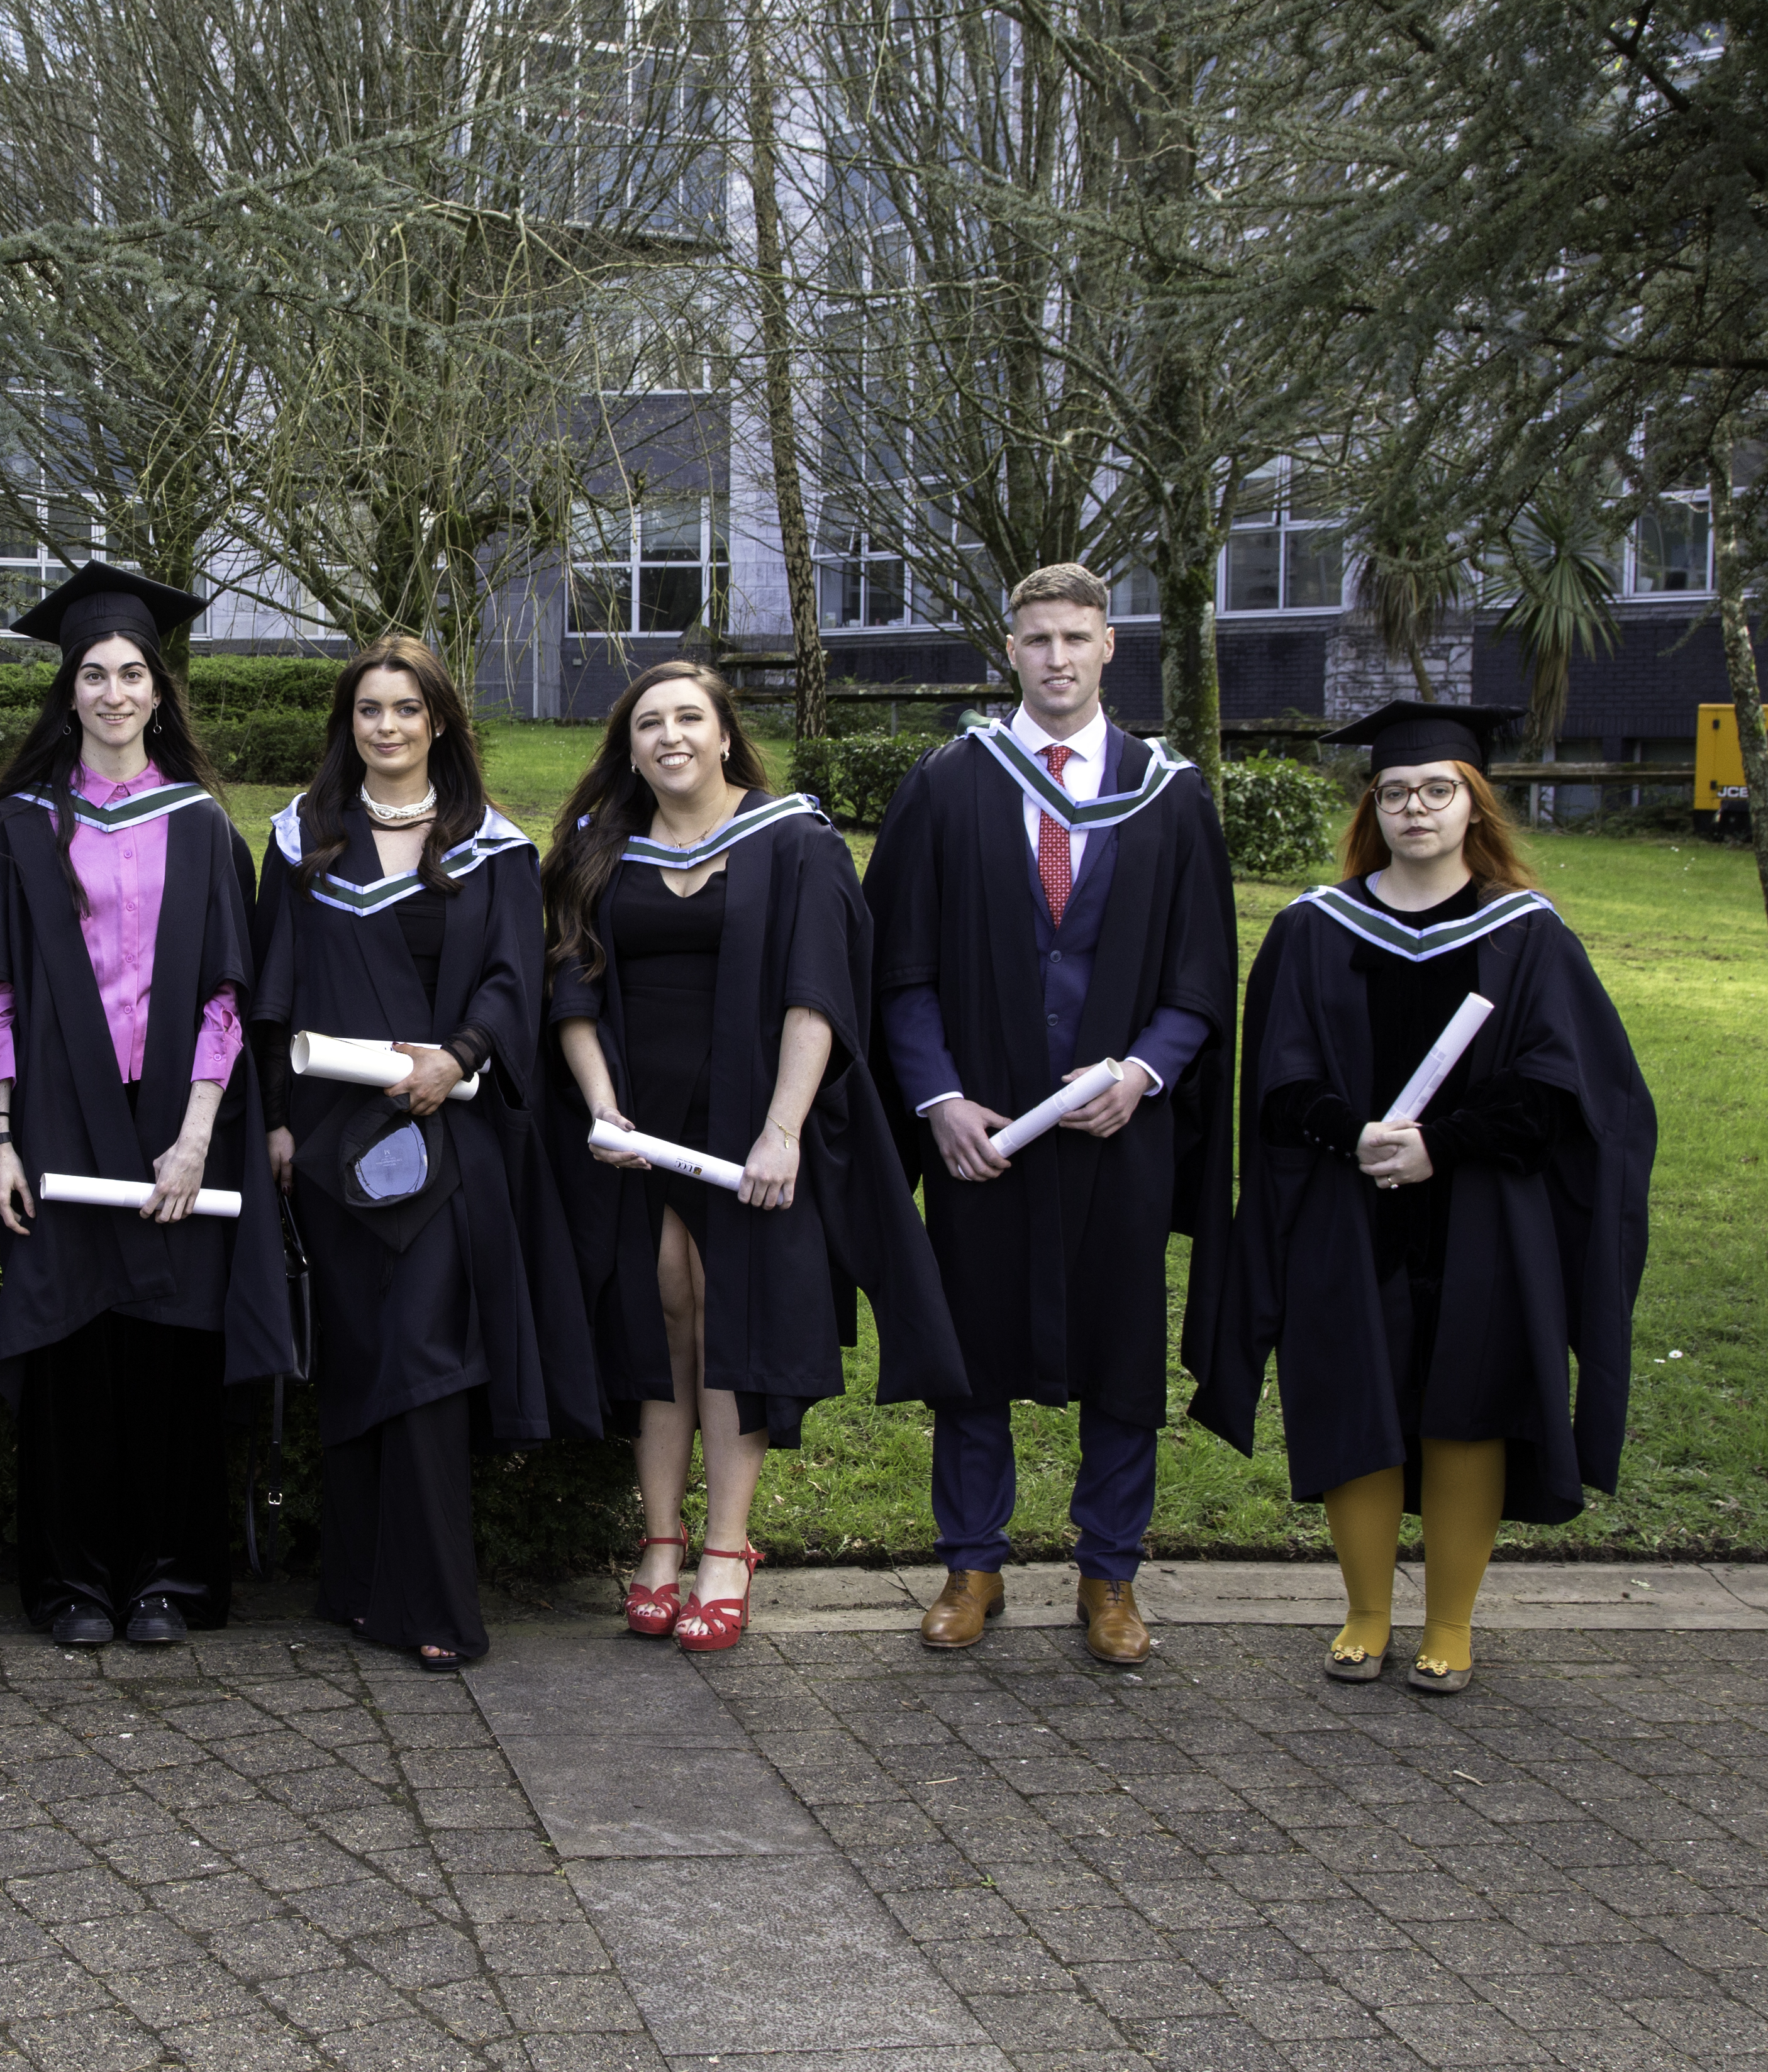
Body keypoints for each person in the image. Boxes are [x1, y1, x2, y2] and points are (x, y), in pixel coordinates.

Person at [1199, 702, 1652, 1692]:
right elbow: (1276, 1082)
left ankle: (1449, 1624)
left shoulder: (1525, 935)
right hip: (1344, 1204)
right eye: (1396, 792)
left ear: (1472, 808)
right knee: (1353, 1396)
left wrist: (1439, 1147)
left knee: (1467, 1406)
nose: (1414, 809)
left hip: (1480, 1215)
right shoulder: (1315, 927)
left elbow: (1562, 1088)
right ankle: (1365, 1611)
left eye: (1436, 791)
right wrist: (1348, 1132)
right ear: (1375, 806)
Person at [543, 662, 966, 1654]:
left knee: (730, 1312)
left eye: (690, 717)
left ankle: (727, 1549)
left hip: (747, 1117)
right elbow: (572, 990)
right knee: (657, 1310)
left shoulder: (795, 843)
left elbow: (817, 992)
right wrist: (602, 1110)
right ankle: (658, 1541)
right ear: (629, 746)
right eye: (648, 723)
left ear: (726, 735)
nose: (669, 736)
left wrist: (783, 1128)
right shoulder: (598, 850)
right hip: (635, 1119)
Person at [860, 562, 1236, 1665]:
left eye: (1076, 638)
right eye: (1036, 641)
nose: (1057, 659)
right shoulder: (950, 784)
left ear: (1110, 645)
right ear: (1008, 649)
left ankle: (1109, 1577)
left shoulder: (1167, 794)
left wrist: (1148, 1073)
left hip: (1119, 1134)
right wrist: (935, 1099)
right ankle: (970, 1564)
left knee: (1122, 1354)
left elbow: (1201, 976)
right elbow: (900, 969)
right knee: (970, 1351)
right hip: (983, 1136)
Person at [0, 563, 297, 1647]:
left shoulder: (200, 830)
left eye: (130, 673)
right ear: (69, 693)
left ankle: (170, 1582)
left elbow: (228, 997)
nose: (110, 692)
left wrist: (196, 1139)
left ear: (156, 691)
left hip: (174, 1125)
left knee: (171, 1357)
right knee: (70, 1353)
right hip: (54, 1121)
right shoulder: (20, 832)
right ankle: (71, 1584)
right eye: (90, 674)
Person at [248, 638, 599, 1670]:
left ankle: (436, 1605)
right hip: (327, 1144)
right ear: (346, 724)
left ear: (439, 722)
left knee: (428, 1357)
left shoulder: (489, 848)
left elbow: (506, 981)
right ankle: (357, 1587)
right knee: (360, 1352)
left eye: (407, 709)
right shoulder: (301, 839)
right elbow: (271, 993)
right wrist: (274, 1119)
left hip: (446, 1135)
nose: (387, 727)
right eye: (369, 710)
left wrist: (458, 1058)